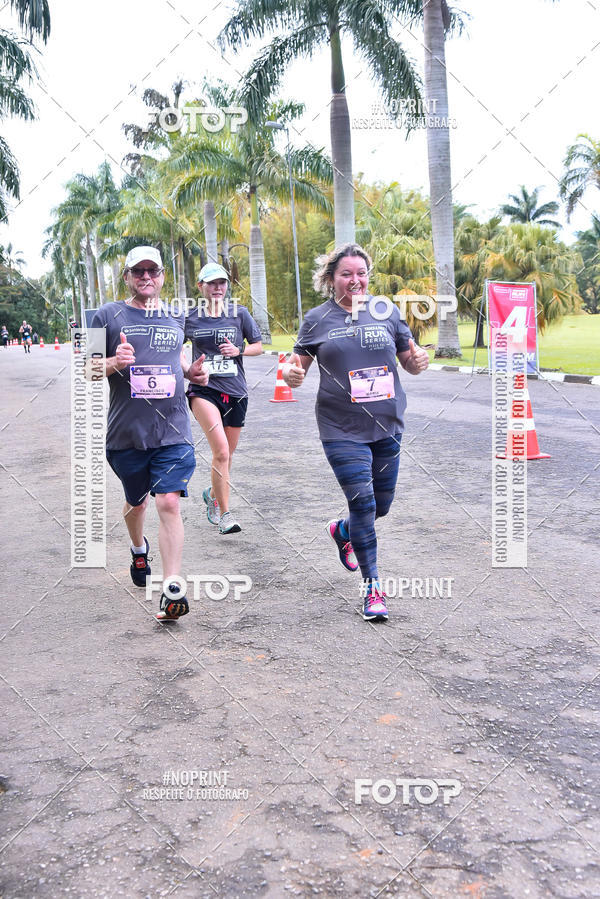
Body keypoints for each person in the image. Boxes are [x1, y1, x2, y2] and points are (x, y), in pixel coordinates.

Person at [283, 243, 429, 622]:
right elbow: (295, 367)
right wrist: (290, 374)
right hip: (340, 428)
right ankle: (373, 588)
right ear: (331, 279)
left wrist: (418, 361)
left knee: (381, 505)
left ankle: (343, 529)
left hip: (387, 423)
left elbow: (409, 362)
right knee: (363, 502)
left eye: (361, 273)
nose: (355, 280)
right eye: (346, 274)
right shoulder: (317, 319)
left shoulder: (386, 312)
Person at [90, 246, 209, 620]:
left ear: (161, 276)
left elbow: (178, 357)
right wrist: (112, 361)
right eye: (138, 271)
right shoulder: (104, 316)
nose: (146, 277)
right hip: (126, 435)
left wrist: (191, 374)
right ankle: (138, 549)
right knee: (137, 503)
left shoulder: (175, 316)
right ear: (126, 276)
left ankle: (171, 588)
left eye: (152, 271)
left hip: (173, 430)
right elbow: (85, 369)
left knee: (168, 502)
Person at [185, 262, 262, 534]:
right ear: (201, 287)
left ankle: (213, 493)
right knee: (220, 451)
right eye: (212, 283)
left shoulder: (239, 314)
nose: (218, 288)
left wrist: (238, 351)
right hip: (204, 391)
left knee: (227, 456)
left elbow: (258, 346)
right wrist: (187, 369)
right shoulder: (191, 318)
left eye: (222, 283)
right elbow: (174, 346)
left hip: (236, 391)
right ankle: (225, 514)